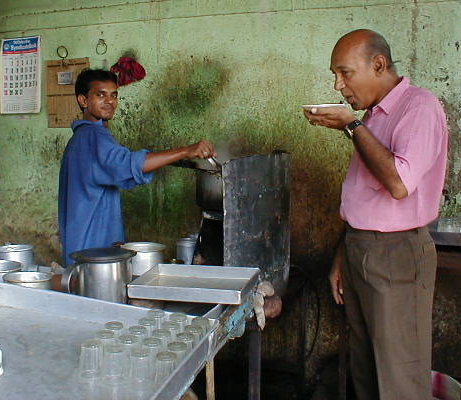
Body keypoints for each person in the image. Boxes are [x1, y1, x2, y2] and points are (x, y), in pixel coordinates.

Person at [304, 29, 448, 400]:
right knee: (366, 369)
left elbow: (399, 183)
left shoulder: (419, 107)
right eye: (335, 75)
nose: (338, 85)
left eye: (345, 73)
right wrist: (343, 252)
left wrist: (351, 126)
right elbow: (365, 199)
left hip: (395, 254)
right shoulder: (375, 115)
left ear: (378, 65)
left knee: (398, 378)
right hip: (360, 249)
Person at [59, 69, 216, 266]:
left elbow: (120, 165)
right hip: (94, 254)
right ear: (83, 101)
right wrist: (186, 150)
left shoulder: (80, 139)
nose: (110, 101)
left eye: (113, 95)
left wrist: (176, 159)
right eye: (101, 95)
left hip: (81, 249)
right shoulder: (93, 137)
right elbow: (128, 165)